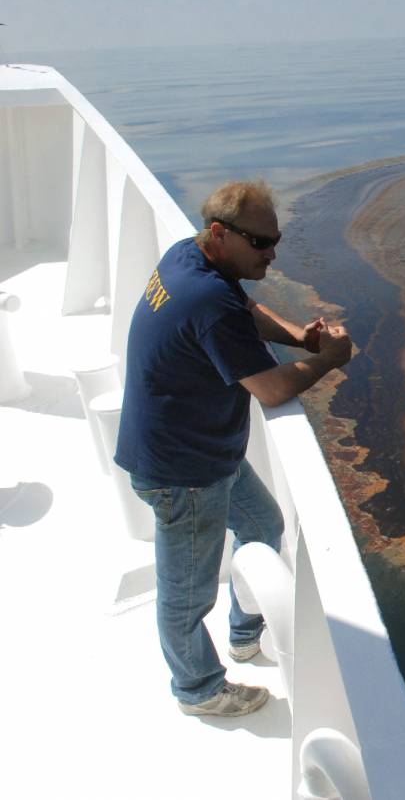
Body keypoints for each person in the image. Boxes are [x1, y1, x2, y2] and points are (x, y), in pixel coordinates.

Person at [115, 179, 352, 716]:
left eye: (277, 241)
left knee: (264, 525)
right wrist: (329, 360)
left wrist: (304, 339)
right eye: (262, 243)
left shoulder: (190, 259)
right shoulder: (206, 297)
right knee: (187, 592)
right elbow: (270, 388)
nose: (271, 253)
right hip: (183, 470)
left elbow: (242, 310)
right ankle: (198, 689)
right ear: (220, 233)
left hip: (203, 452)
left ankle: (245, 634)